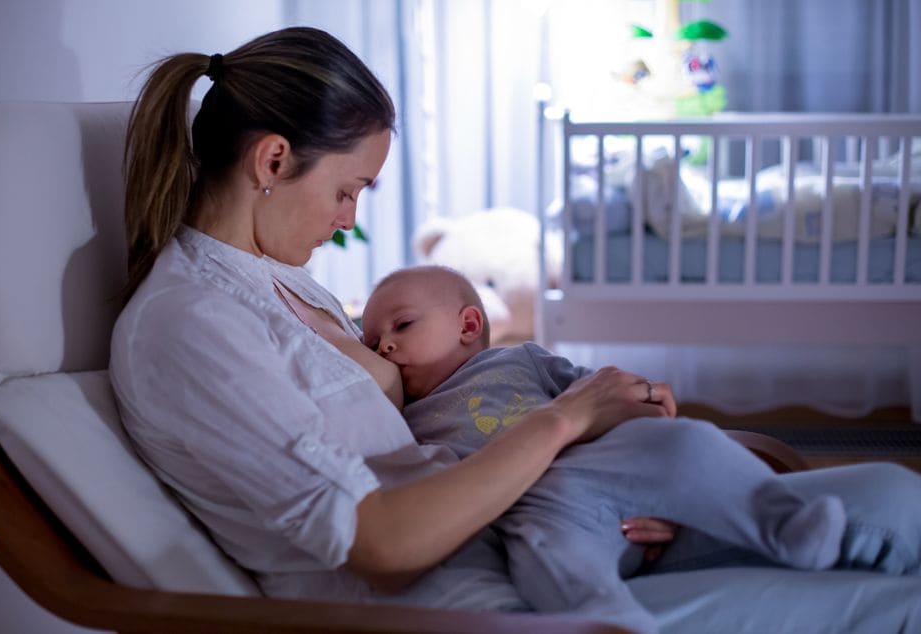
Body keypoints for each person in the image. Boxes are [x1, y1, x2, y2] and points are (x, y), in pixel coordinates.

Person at [109, 26, 921, 634]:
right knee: (895, 603)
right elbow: (382, 542)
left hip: (540, 521)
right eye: (349, 191)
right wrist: (565, 421)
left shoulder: (288, 283)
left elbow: (442, 420)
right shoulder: (192, 326)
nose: (348, 220)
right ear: (274, 161)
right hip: (485, 600)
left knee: (896, 495)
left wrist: (627, 486)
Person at [359, 264, 852, 630]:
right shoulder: (407, 418)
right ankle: (607, 618)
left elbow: (604, 392)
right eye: (373, 340)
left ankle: (786, 523)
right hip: (536, 505)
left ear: (468, 326)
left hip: (602, 462)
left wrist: (648, 406)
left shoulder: (520, 360)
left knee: (689, 443)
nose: (384, 347)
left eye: (401, 326)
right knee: (544, 556)